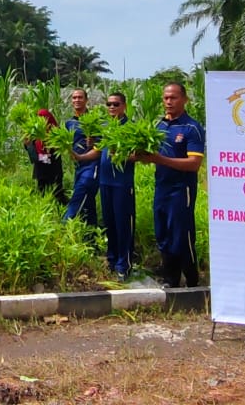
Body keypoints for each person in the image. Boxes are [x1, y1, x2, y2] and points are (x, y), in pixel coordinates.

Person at [136, 82, 206, 288]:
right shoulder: (159, 126)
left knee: (181, 235)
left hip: (181, 189)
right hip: (162, 188)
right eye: (166, 98)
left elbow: (194, 164)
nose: (169, 102)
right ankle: (171, 280)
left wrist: (159, 160)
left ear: (184, 99)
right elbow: (149, 155)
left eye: (173, 98)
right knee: (163, 233)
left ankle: (193, 281)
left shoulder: (191, 128)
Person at [88, 92, 136, 279]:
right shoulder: (105, 126)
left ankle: (124, 264)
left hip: (122, 184)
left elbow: (140, 155)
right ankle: (112, 259)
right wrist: (80, 155)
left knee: (123, 224)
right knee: (109, 223)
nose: (112, 107)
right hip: (105, 182)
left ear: (124, 106)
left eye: (116, 104)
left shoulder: (131, 127)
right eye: (109, 104)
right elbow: (98, 151)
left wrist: (123, 155)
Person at [62, 89, 99, 227]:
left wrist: (93, 143)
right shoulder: (69, 123)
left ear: (86, 100)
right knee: (88, 204)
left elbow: (101, 148)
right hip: (78, 167)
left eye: (80, 97)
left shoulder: (94, 121)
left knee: (77, 200)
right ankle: (92, 237)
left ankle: (64, 228)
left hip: (92, 167)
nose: (77, 100)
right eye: (74, 97)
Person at [25, 108, 67, 204]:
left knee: (57, 191)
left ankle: (62, 209)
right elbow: (31, 149)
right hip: (40, 168)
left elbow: (60, 148)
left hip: (53, 168)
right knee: (41, 190)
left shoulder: (56, 132)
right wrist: (27, 144)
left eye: (44, 118)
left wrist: (49, 142)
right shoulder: (35, 132)